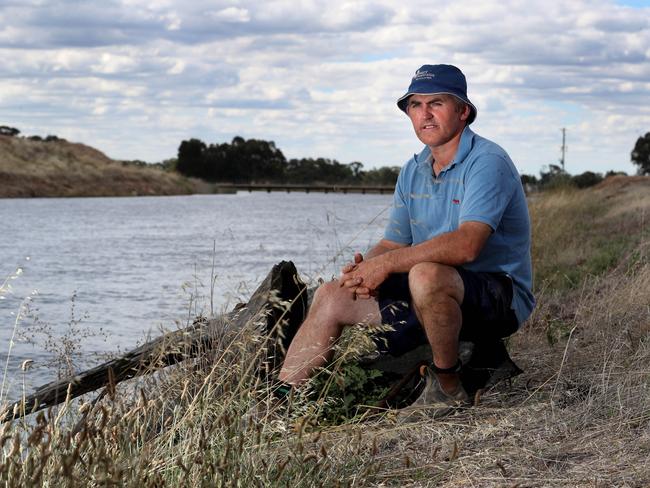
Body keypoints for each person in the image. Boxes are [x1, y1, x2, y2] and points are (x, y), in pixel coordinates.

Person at [278, 64, 535, 415]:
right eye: (415, 105)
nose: (425, 114)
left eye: (437, 103)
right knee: (331, 295)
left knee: (425, 273)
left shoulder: (487, 162)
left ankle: (447, 387)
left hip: (498, 298)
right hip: (429, 292)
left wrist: (387, 265)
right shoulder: (413, 169)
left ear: (463, 112)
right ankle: (281, 403)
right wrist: (366, 269)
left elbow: (467, 245)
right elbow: (392, 245)